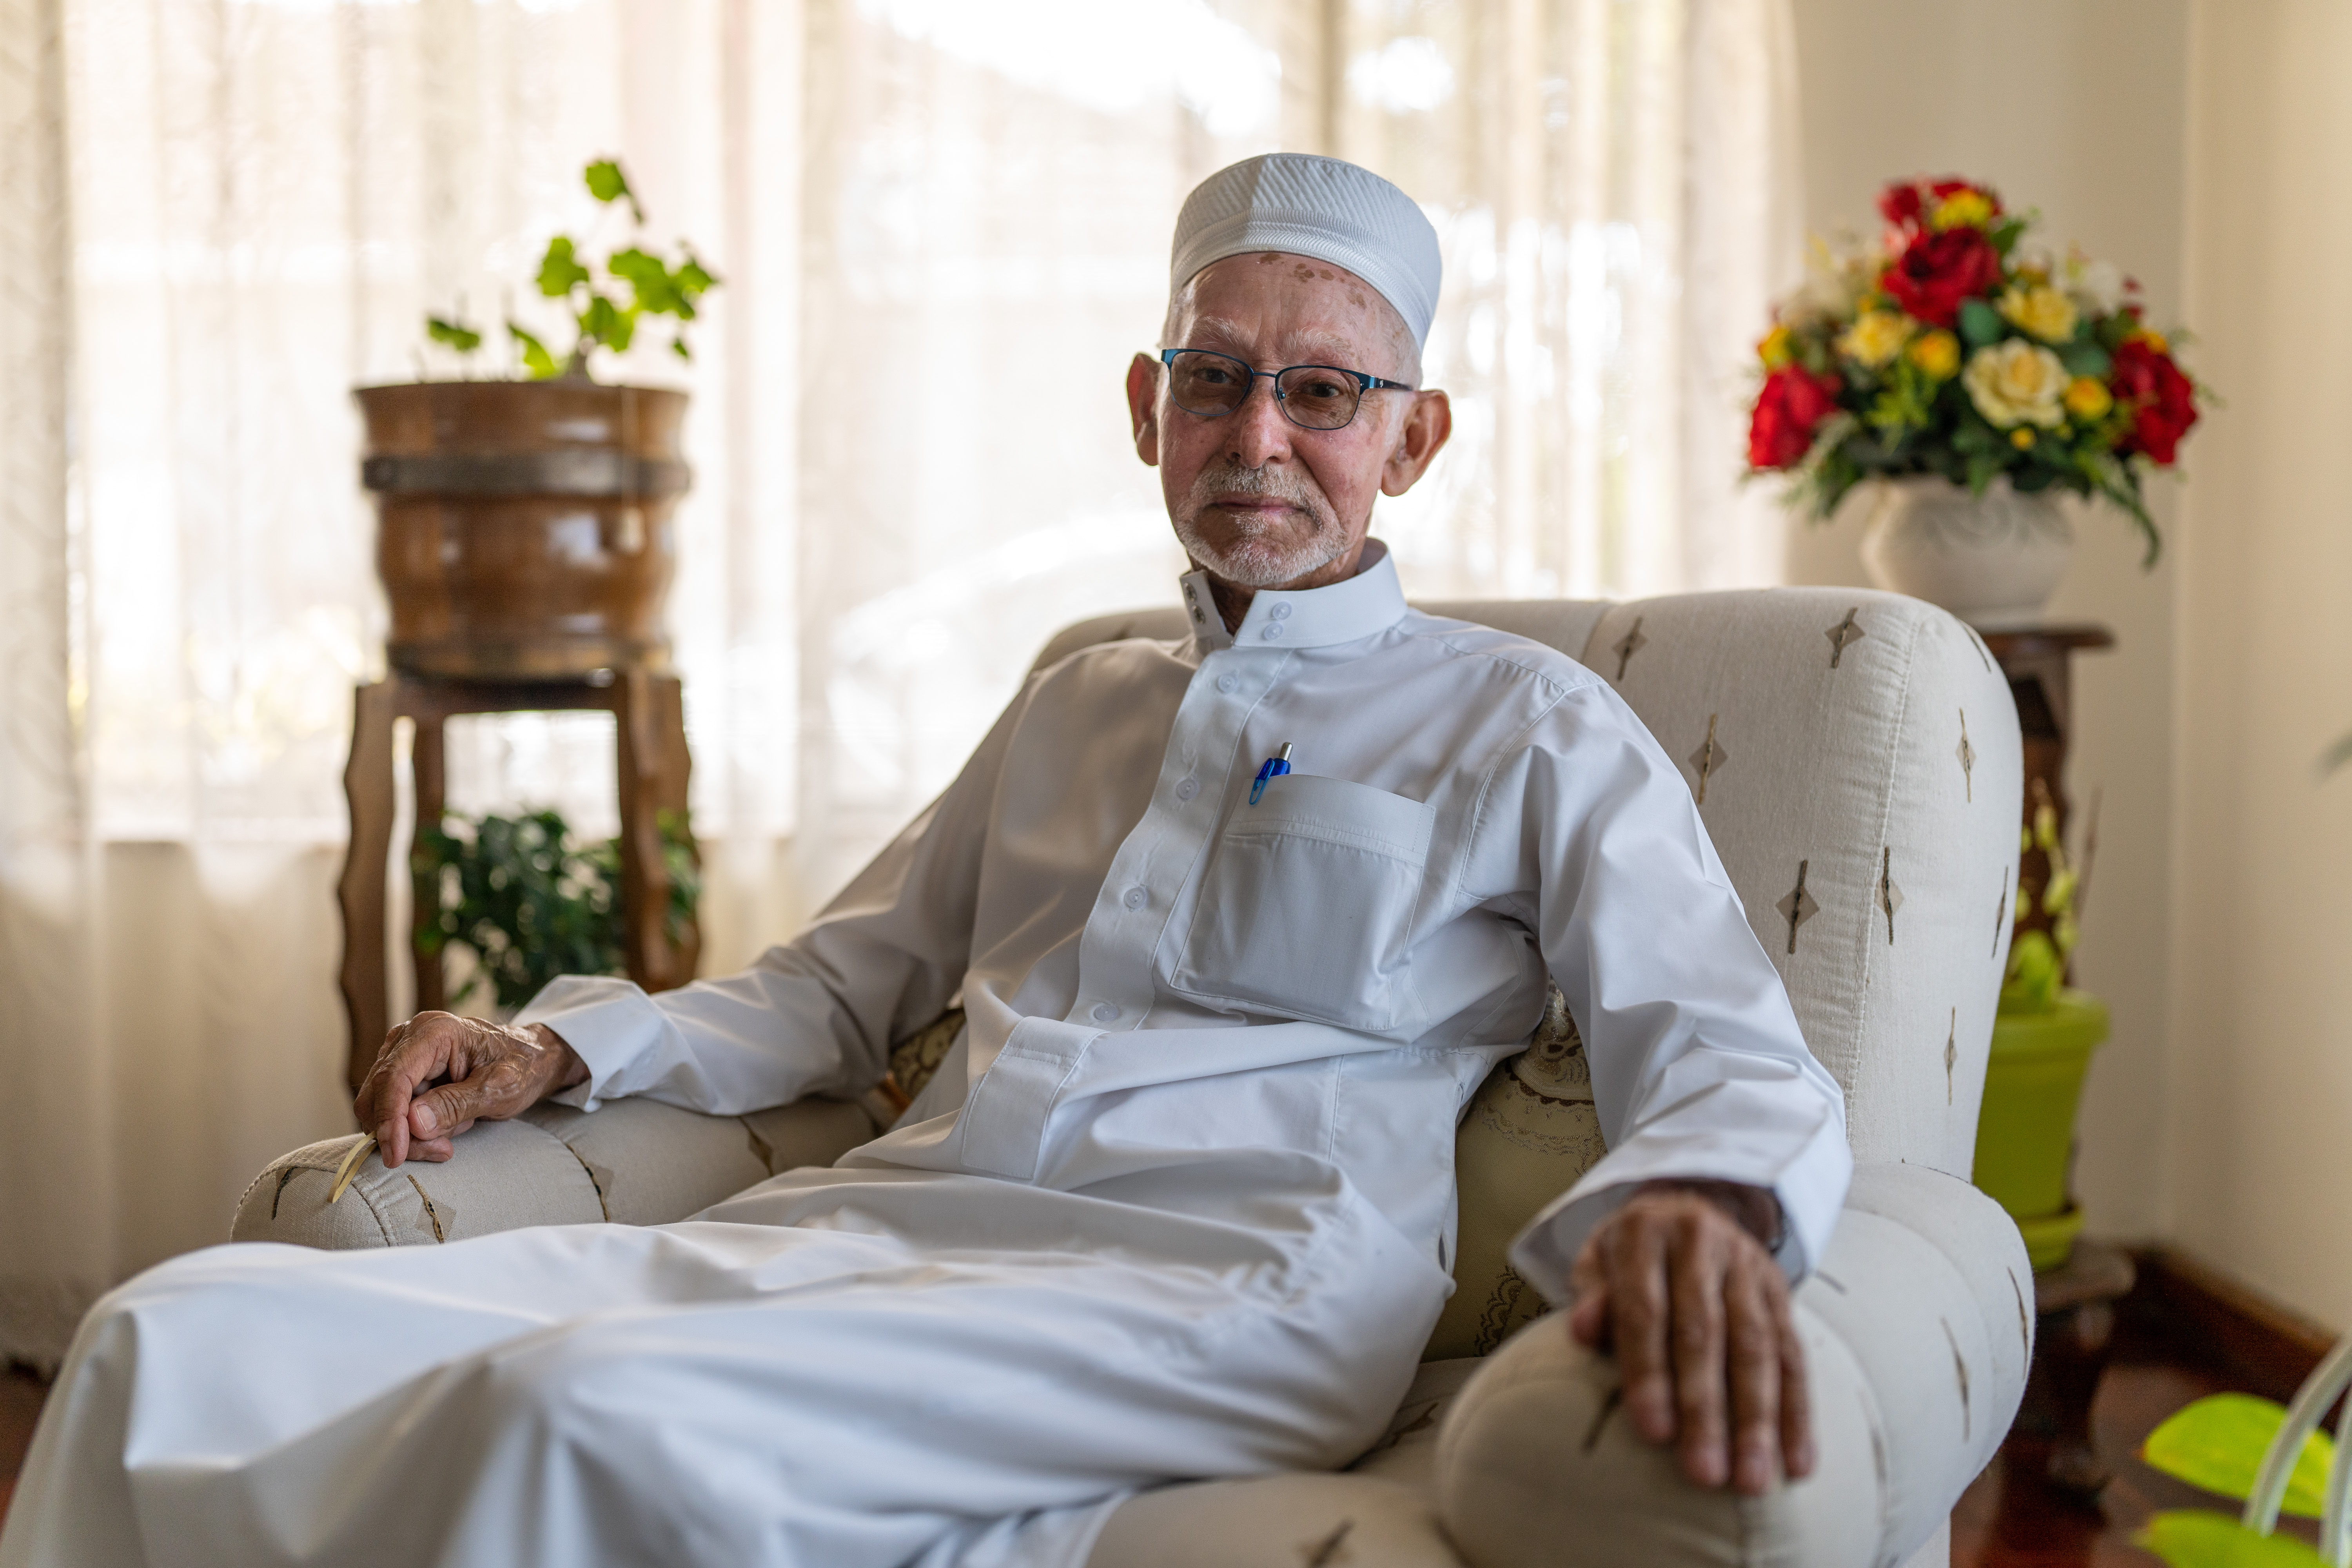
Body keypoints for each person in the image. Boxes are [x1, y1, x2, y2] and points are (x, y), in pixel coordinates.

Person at [0, 154, 1848, 1568]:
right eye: (1217, 380)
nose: (1261, 436)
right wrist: (563, 1051)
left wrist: (1700, 1204)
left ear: (1414, 437)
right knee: (178, 1332)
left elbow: (1727, 1045)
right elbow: (835, 985)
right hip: (893, 1227)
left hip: (1225, 1283)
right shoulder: (1079, 702)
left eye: (1324, 393)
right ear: (1149, 409)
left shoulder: (1525, 724)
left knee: (574, 1408)